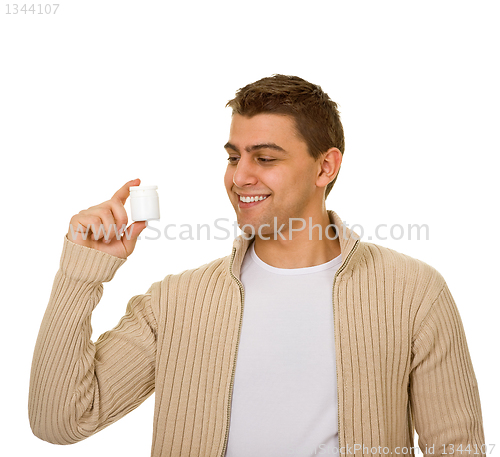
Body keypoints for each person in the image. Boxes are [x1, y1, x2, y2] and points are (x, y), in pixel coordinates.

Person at [29, 75, 486, 457]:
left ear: (325, 167)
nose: (239, 176)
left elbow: (458, 447)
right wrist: (80, 273)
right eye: (233, 157)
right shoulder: (174, 302)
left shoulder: (413, 291)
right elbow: (62, 420)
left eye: (264, 158)